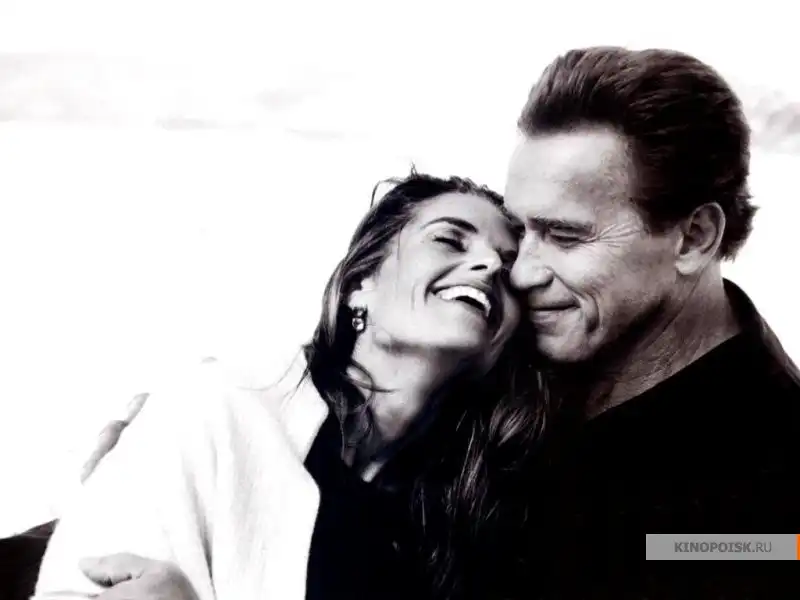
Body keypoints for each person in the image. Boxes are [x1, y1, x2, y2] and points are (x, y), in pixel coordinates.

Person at [34, 172, 548, 600]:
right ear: (359, 285)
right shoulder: (216, 409)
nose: (490, 265)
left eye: (508, 267)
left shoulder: (481, 515)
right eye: (449, 239)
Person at [502, 46, 800, 598]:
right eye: (519, 230)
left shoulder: (767, 496)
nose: (521, 273)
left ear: (694, 238)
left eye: (564, 236)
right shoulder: (518, 359)